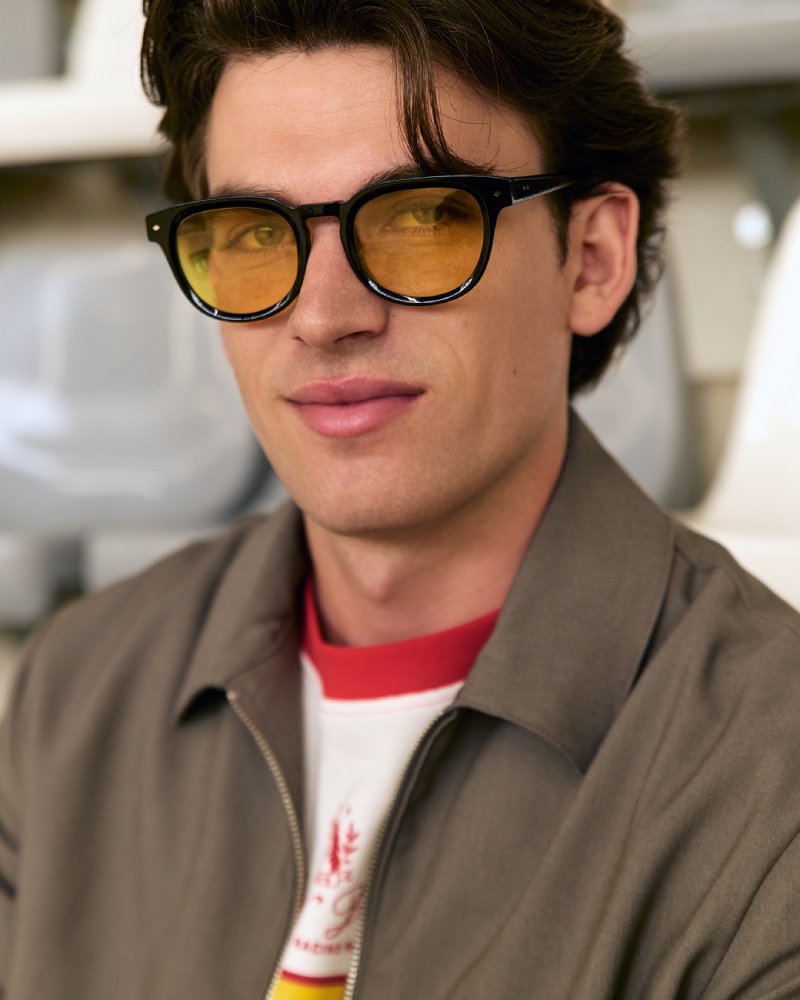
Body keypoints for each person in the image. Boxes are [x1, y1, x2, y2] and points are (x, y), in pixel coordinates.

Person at [2, 1, 800, 997]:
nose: (322, 316)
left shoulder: (769, 777)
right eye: (254, 233)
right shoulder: (77, 694)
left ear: (590, 259)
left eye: (423, 219)